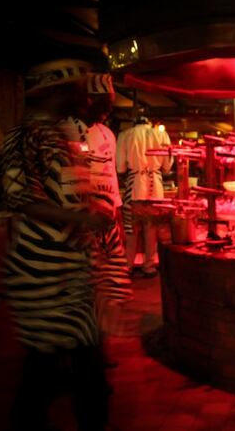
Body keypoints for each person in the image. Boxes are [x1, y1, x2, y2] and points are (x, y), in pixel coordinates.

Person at [1, 59, 111, 430]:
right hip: (43, 272)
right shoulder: (23, 136)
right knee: (49, 368)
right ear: (55, 93)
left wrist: (90, 205)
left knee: (77, 364)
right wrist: (82, 218)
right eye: (77, 89)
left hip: (71, 270)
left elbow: (61, 196)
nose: (85, 96)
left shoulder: (57, 135)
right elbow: (20, 197)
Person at [83, 73, 133, 364]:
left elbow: (112, 176)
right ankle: (84, 350)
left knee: (108, 284)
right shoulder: (70, 132)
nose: (107, 110)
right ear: (86, 100)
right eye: (102, 103)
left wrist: (118, 216)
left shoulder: (107, 135)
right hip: (82, 222)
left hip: (108, 220)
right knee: (86, 287)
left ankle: (99, 344)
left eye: (110, 104)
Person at [116, 115, 172, 277]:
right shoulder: (161, 134)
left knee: (131, 230)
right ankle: (149, 266)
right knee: (151, 230)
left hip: (135, 187)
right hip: (156, 189)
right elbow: (167, 166)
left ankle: (128, 266)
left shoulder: (126, 135)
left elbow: (120, 167)